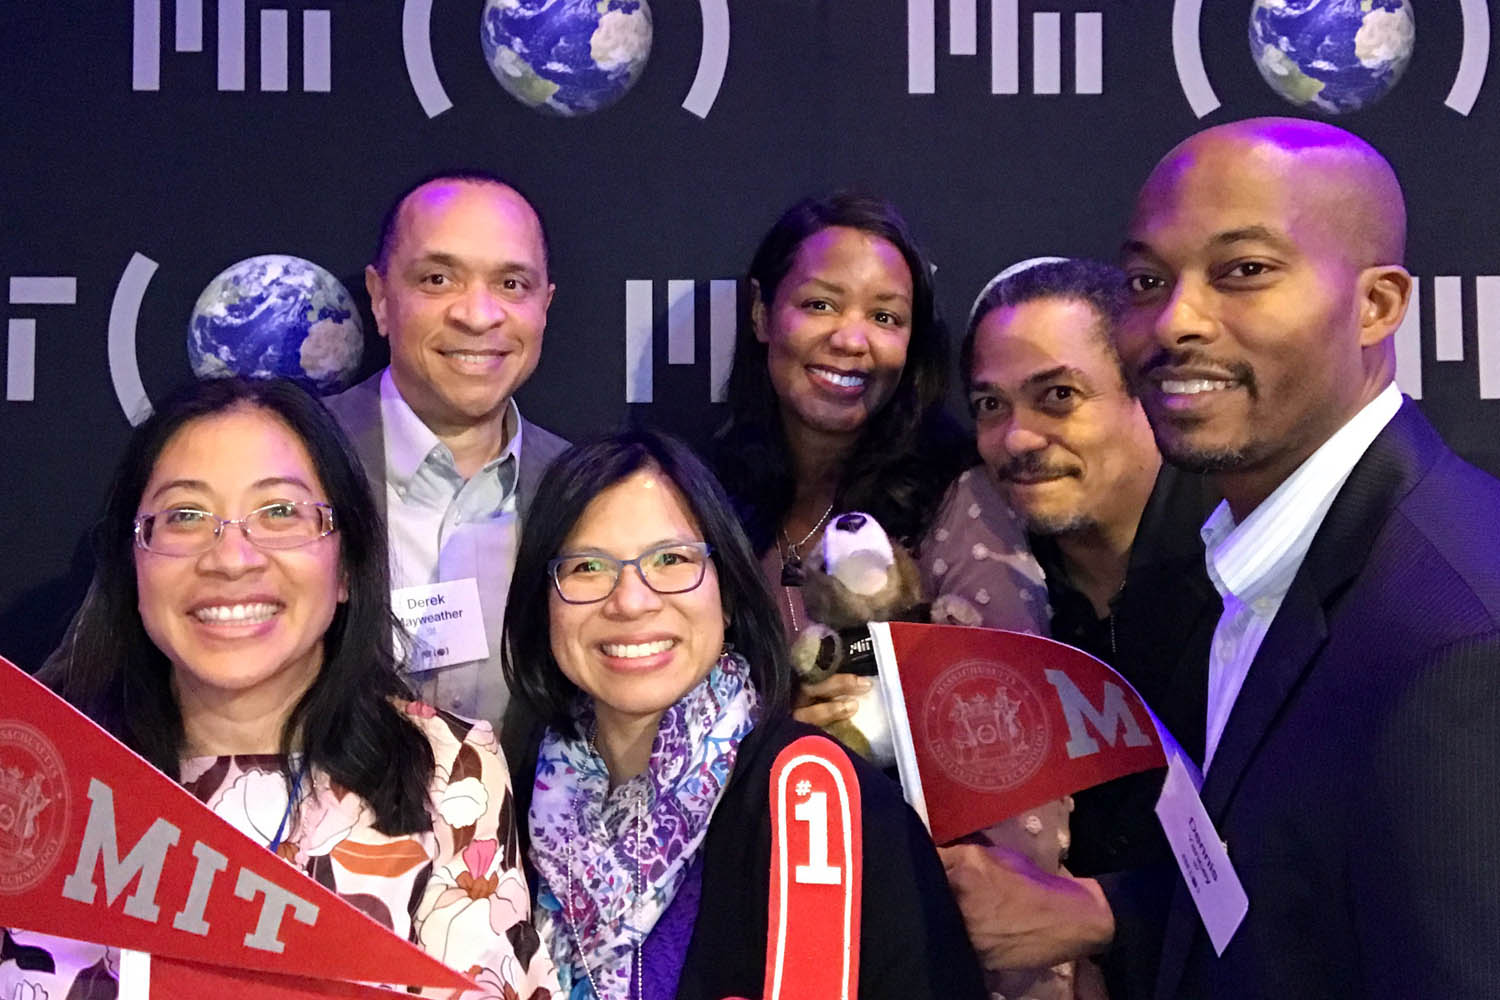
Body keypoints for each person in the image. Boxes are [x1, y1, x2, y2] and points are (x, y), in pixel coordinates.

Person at [951, 117, 1500, 999]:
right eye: (1146, 281)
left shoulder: (1458, 637)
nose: (1176, 322)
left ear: (1379, 306)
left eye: (1243, 271)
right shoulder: (1255, 568)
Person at [28, 377, 556, 999]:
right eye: (185, 516)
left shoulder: (447, 769)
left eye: (280, 512)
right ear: (133, 560)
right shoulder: (41, 769)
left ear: (347, 568)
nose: (232, 558)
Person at [502, 429, 986, 1000]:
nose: (630, 601)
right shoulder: (509, 803)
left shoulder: (823, 805)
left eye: (672, 559)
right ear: (545, 601)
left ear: (727, 592)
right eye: (587, 567)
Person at [712, 192, 1044, 729]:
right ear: (761, 312)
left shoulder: (957, 496)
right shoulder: (704, 496)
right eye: (819, 305)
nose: (851, 339)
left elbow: (1010, 722)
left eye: (885, 317)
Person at [953, 257, 1219, 874]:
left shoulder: (1252, 579)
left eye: (1059, 397)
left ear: (1145, 396)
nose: (1017, 438)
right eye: (991, 405)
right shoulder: (992, 598)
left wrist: (1114, 919)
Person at [323, 169, 569, 764]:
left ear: (544, 307)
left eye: (512, 284)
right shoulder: (287, 460)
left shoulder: (583, 490)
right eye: (438, 279)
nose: (478, 314)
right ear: (381, 299)